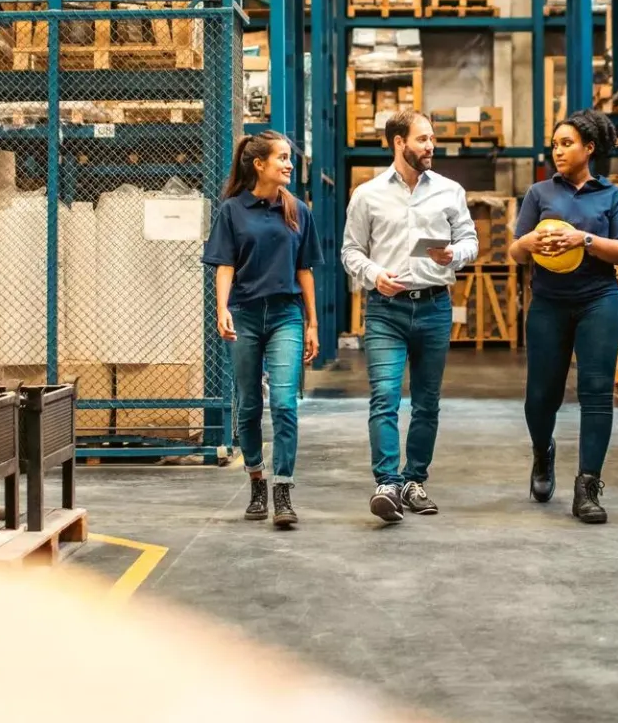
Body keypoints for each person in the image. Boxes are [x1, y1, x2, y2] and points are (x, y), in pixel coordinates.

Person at [341, 110, 477, 524]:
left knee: (426, 402)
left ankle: (415, 481)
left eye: (432, 139)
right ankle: (386, 483)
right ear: (398, 143)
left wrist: (455, 253)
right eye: (422, 139)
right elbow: (351, 251)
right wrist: (374, 275)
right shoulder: (368, 195)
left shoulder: (450, 190)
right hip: (385, 310)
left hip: (435, 306)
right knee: (384, 397)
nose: (430, 146)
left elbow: (470, 239)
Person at [510, 109, 618, 524]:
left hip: (598, 300)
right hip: (548, 303)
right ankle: (543, 452)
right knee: (540, 396)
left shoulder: (612, 196)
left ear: (589, 148)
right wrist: (528, 240)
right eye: (555, 144)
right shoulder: (539, 193)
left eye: (567, 144)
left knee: (596, 393)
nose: (558, 151)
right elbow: (515, 251)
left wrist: (582, 238)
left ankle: (587, 486)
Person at [202, 132, 321, 529]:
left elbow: (305, 270)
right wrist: (222, 308)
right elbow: (225, 265)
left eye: (289, 158)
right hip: (246, 314)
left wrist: (312, 322)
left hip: (287, 314)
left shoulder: (298, 211)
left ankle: (283, 488)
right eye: (282, 158)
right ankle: (256, 478)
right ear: (259, 164)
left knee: (285, 403)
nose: (289, 165)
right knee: (250, 402)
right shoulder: (232, 211)